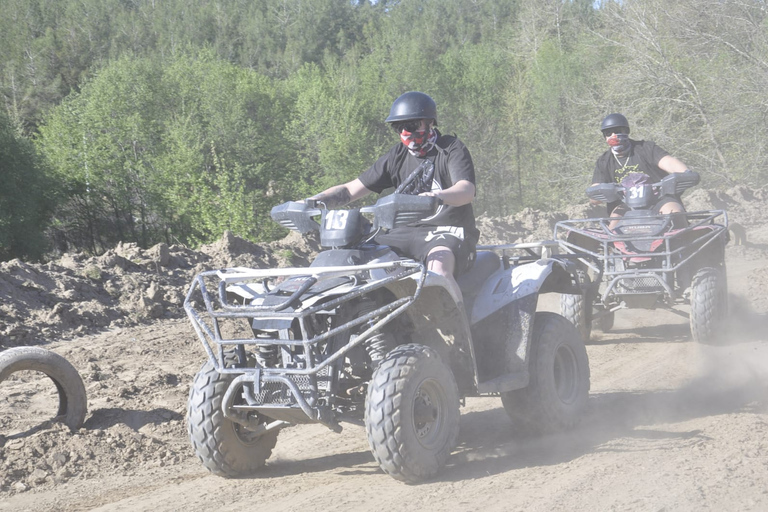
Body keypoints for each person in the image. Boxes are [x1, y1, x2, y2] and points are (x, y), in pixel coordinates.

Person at [306, 91, 479, 287]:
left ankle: (452, 318)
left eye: (412, 125)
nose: (405, 132)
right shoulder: (397, 155)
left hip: (447, 232)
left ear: (430, 122)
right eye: (399, 127)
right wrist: (311, 202)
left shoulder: (450, 148)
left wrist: (435, 196)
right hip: (402, 234)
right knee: (357, 261)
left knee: (438, 270)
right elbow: (349, 189)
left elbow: (466, 190)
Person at [592, 113, 692, 219]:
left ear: (626, 131)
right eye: (608, 133)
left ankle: (681, 234)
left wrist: (686, 172)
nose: (613, 136)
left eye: (617, 131)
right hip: (625, 205)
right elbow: (594, 194)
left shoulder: (645, 148)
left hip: (660, 199)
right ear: (604, 137)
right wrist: (600, 194)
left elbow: (667, 162)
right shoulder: (603, 161)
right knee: (614, 223)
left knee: (673, 213)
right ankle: (614, 235)